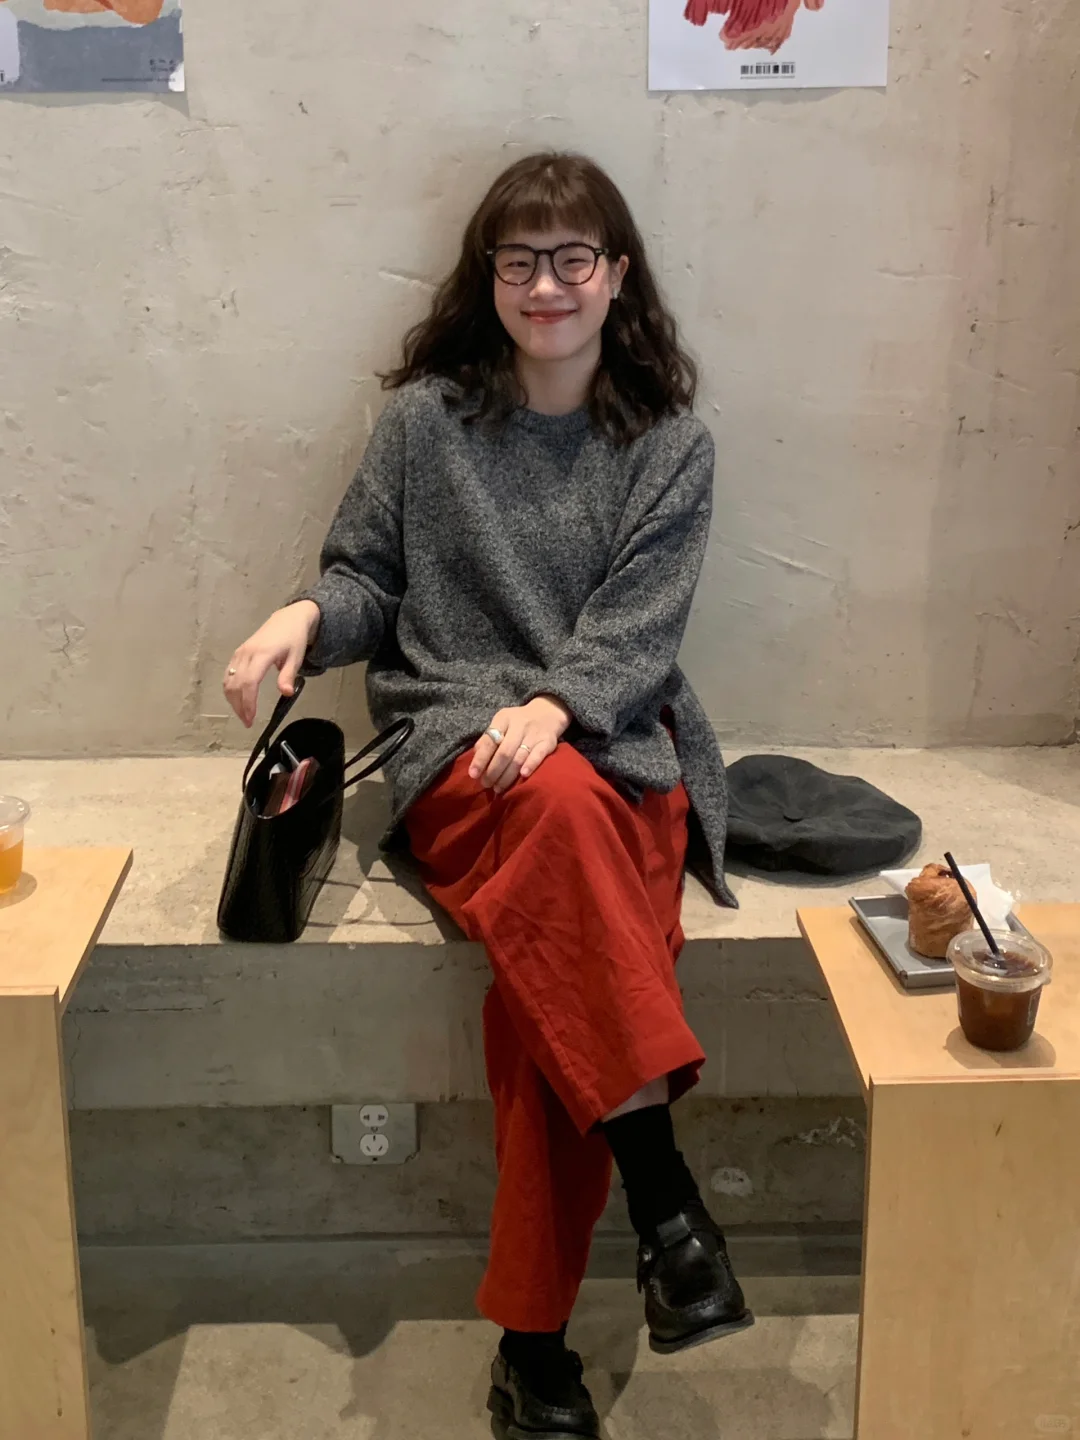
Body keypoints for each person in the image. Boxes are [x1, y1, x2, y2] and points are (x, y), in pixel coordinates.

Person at [224, 151, 751, 1440]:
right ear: (490, 276)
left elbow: (640, 627)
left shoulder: (669, 445)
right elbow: (367, 578)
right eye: (520, 261)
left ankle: (534, 1349)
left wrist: (559, 706)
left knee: (545, 999)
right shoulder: (426, 424)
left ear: (617, 276)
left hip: (616, 744)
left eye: (573, 260)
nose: (546, 285)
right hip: (460, 751)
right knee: (557, 830)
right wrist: (305, 615)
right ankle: (665, 1203)